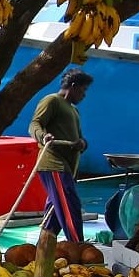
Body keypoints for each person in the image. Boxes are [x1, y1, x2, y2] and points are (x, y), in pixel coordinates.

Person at [29, 68, 94, 242]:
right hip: (54, 164)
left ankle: (41, 248)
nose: (84, 95)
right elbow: (35, 124)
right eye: (83, 90)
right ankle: (78, 246)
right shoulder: (52, 101)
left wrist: (82, 143)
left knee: (55, 214)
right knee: (70, 207)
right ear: (73, 87)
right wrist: (44, 136)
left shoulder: (74, 111)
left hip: (67, 168)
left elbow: (80, 138)